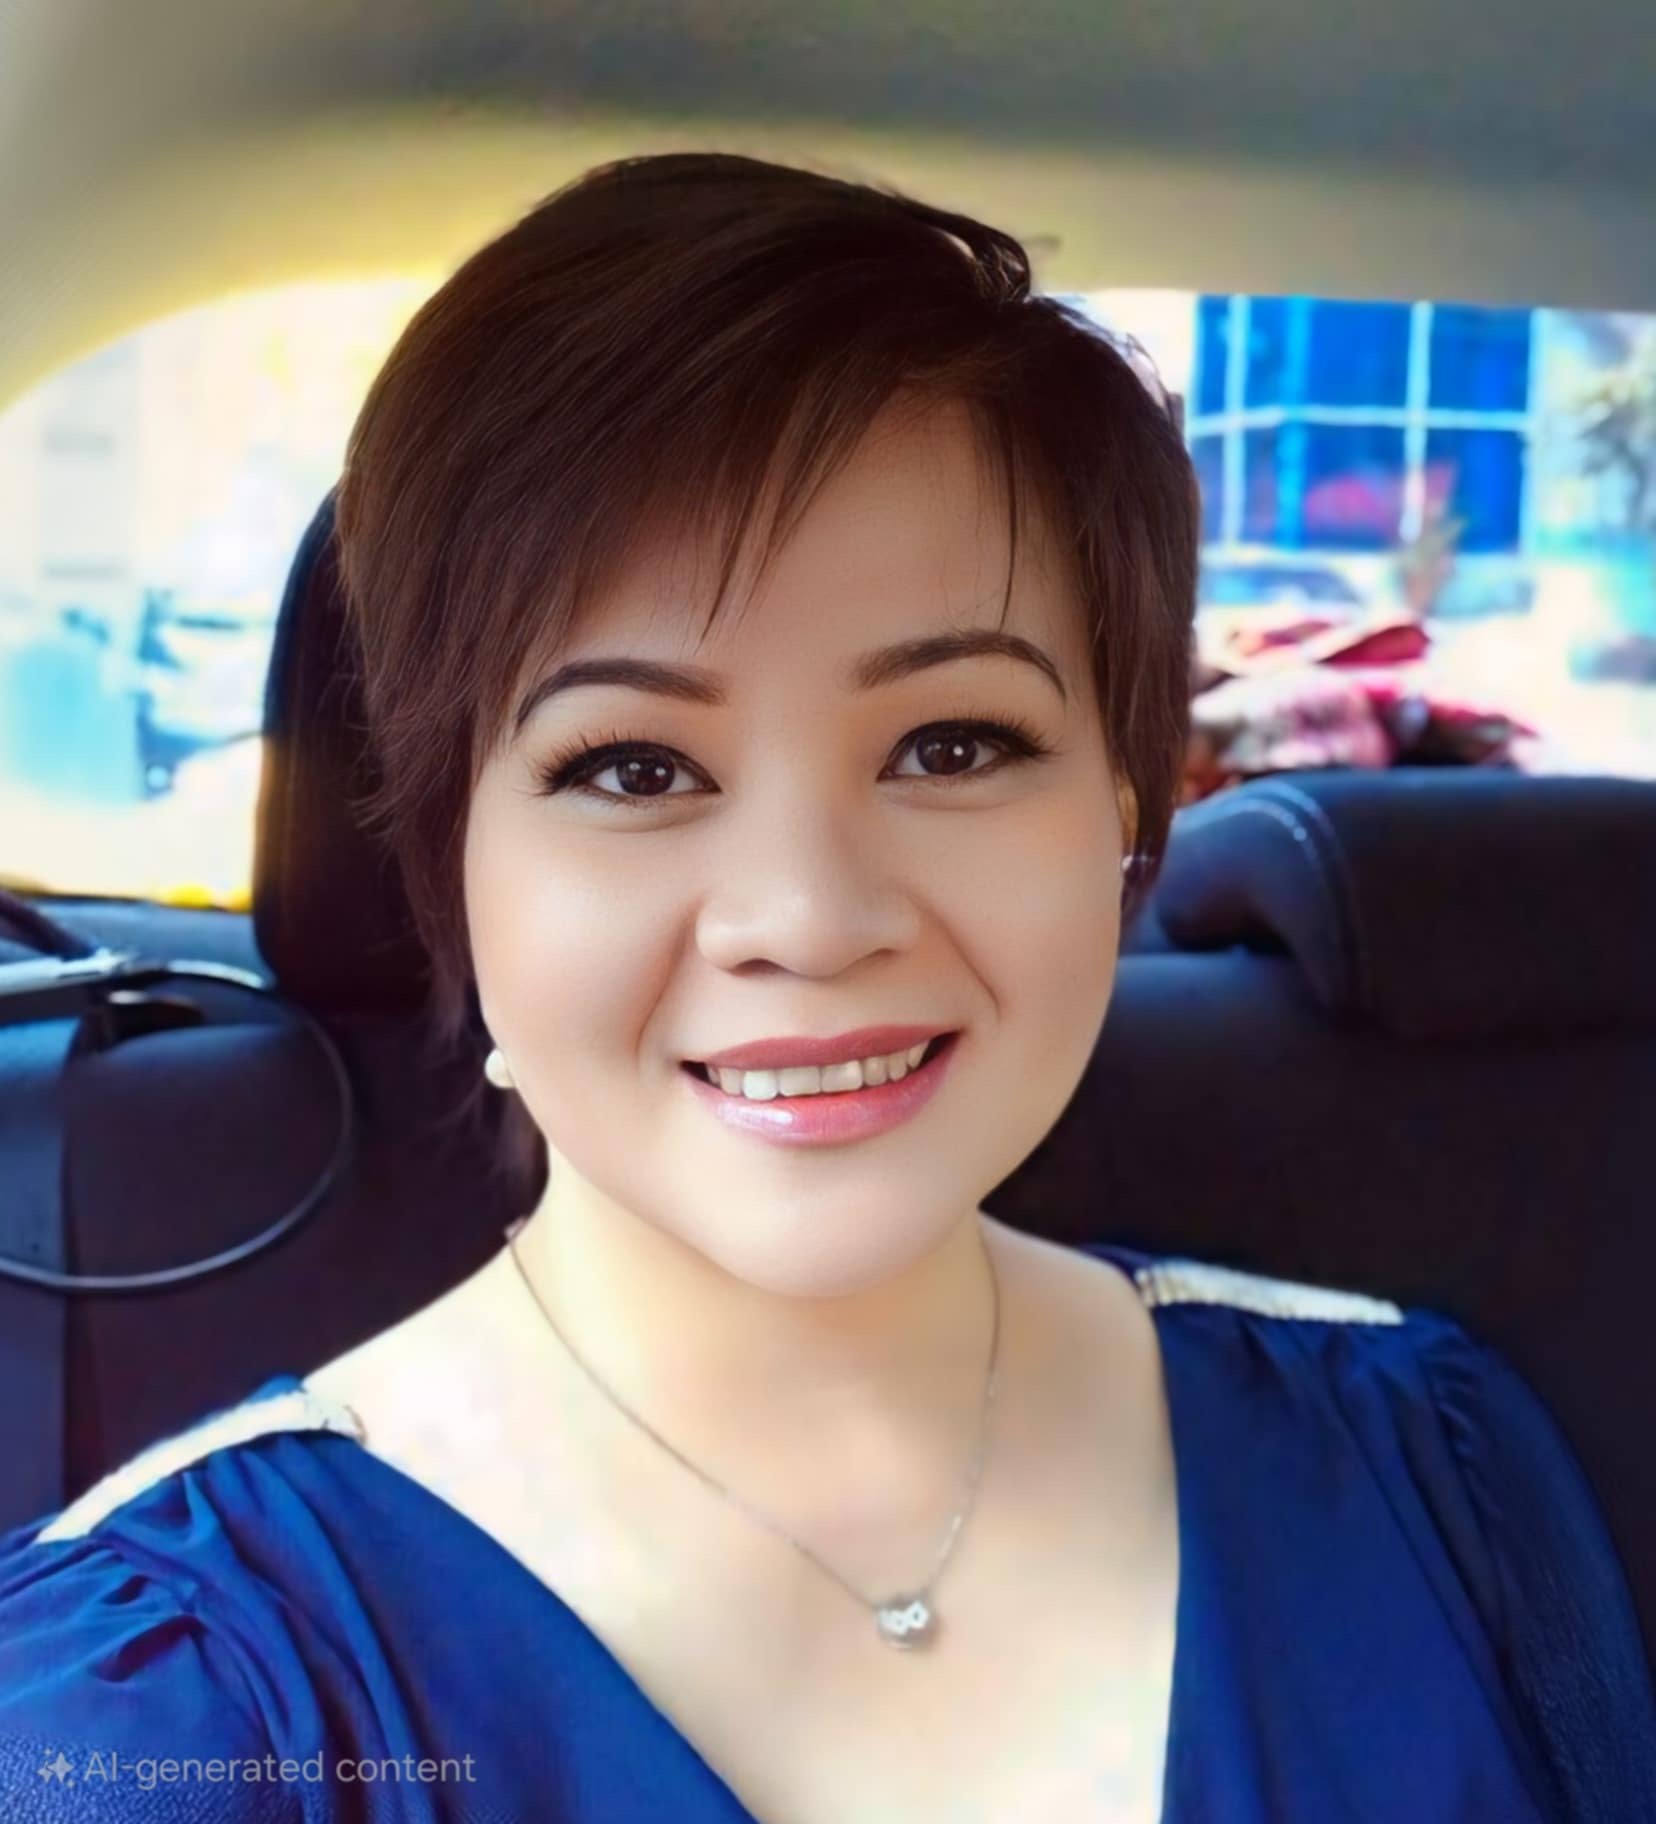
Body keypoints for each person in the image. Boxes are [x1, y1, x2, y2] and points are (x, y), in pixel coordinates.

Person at [2, 151, 1653, 1824]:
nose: (806, 917)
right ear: (453, 864)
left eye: (954, 745)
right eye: (635, 768)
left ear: (1126, 812)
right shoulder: (156, 1722)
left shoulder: (1435, 1482)